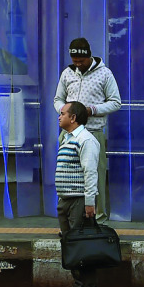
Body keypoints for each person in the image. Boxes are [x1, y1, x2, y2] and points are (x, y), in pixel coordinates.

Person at [53, 37, 121, 220]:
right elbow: (58, 99)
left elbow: (116, 102)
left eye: (81, 61)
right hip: (69, 133)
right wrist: (65, 111)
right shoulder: (68, 73)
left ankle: (98, 219)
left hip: (93, 132)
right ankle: (70, 218)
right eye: (75, 61)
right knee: (66, 173)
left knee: (95, 174)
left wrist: (92, 110)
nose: (78, 65)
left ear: (89, 57)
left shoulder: (104, 74)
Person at [56, 101, 101, 287]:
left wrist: (89, 202)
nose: (59, 116)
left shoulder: (85, 140)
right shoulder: (67, 138)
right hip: (65, 199)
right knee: (69, 245)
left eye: (63, 113)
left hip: (78, 200)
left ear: (73, 118)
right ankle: (78, 286)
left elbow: (90, 172)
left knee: (82, 246)